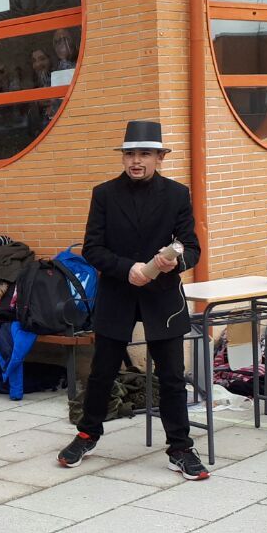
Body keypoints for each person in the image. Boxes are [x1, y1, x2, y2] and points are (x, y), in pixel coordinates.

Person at [57, 121, 208, 479]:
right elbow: (93, 248)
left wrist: (173, 262)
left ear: (159, 157)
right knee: (102, 373)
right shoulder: (104, 194)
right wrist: (128, 269)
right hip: (117, 293)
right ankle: (87, 434)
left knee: (172, 377)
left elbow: (191, 248)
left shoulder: (177, 194)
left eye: (144, 154)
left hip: (163, 296)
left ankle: (180, 447)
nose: (136, 161)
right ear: (123, 158)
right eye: (130, 154)